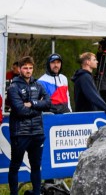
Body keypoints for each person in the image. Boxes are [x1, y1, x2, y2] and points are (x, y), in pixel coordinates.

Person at [7, 56, 51, 195]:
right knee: (15, 166)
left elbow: (48, 103)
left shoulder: (38, 85)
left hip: (37, 133)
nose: (28, 71)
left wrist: (32, 103)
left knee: (36, 167)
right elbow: (20, 110)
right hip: (20, 133)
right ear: (20, 69)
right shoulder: (13, 87)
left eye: (30, 68)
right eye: (25, 68)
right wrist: (38, 107)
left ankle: (36, 192)